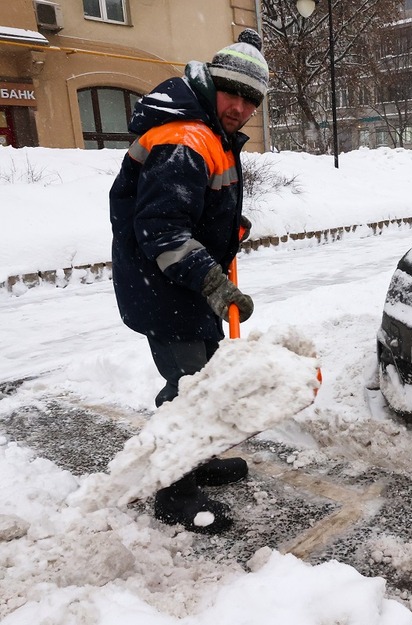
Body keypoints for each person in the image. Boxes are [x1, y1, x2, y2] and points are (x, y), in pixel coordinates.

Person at [109, 29, 268, 534]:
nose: (240, 108)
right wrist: (217, 284)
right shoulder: (184, 137)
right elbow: (161, 231)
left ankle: (194, 457)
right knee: (187, 389)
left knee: (202, 380)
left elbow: (188, 206)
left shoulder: (206, 128)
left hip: (185, 286)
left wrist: (226, 227)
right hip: (166, 287)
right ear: (212, 84)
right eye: (233, 93)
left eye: (252, 100)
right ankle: (173, 490)